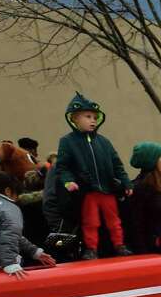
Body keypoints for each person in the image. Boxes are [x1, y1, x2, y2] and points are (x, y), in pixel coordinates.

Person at [54, 92, 132, 259]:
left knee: (114, 221)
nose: (93, 120)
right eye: (88, 116)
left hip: (107, 189)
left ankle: (119, 245)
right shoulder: (67, 142)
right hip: (88, 190)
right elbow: (62, 167)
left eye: (95, 117)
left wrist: (126, 183)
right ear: (74, 119)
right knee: (90, 221)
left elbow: (117, 164)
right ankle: (91, 249)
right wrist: (68, 181)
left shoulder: (104, 142)